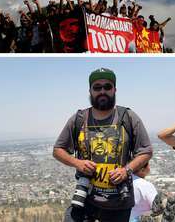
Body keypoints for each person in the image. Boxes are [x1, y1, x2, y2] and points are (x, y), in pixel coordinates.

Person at [53, 68, 153, 222]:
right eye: (97, 87)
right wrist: (77, 163)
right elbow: (57, 150)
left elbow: (146, 150)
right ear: (90, 90)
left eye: (107, 87)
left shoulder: (128, 117)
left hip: (119, 204)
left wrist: (126, 170)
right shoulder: (79, 119)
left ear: (115, 89)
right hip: (86, 200)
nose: (102, 91)